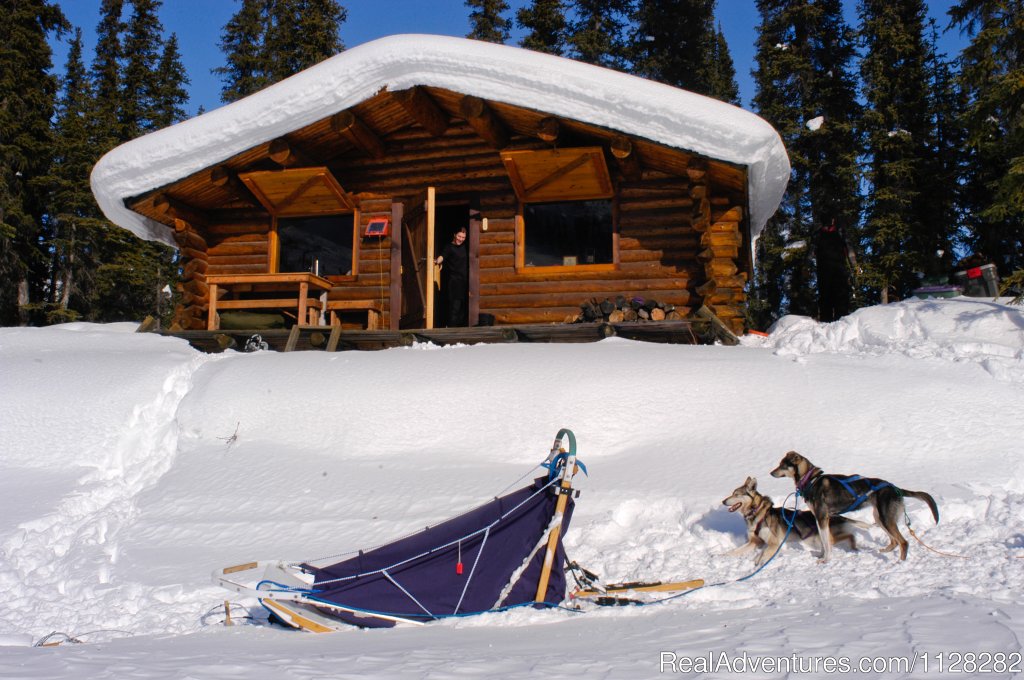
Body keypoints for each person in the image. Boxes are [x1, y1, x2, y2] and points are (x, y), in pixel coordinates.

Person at [814, 218, 856, 322]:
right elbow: (849, 251)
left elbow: (849, 250)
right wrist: (854, 265)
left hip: (833, 271)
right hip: (831, 271)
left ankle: (837, 323)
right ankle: (830, 323)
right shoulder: (821, 234)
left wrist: (854, 265)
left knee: (835, 297)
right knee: (830, 298)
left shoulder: (838, 233)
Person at [435, 226, 468, 327]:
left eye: (463, 237)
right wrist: (437, 261)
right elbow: (443, 256)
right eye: (459, 236)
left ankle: (460, 327)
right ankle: (451, 327)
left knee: (463, 306)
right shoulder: (449, 247)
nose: (461, 239)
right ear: (454, 235)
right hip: (454, 281)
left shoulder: (465, 247)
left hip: (464, 281)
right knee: (455, 305)